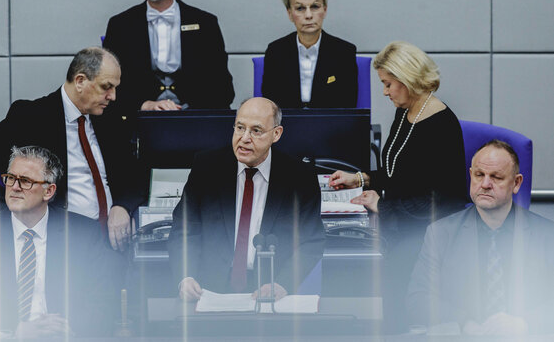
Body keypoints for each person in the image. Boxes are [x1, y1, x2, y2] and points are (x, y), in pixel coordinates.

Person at [328, 41, 468, 333]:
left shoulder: (441, 125)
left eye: (388, 84)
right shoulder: (406, 111)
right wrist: (360, 178)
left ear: (407, 79)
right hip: (403, 220)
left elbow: (441, 200)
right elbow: (400, 172)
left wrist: (383, 205)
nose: (385, 92)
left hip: (430, 230)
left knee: (386, 280)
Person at [0, 47, 146, 250]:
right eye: (106, 87)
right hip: (59, 242)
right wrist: (14, 214)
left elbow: (134, 173)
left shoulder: (110, 118)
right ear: (80, 81)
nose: (113, 96)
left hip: (109, 241)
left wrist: (122, 206)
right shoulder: (31, 116)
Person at [0, 146, 123, 338]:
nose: (14, 187)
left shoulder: (83, 235)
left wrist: (64, 329)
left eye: (25, 181)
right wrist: (16, 331)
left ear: (48, 191)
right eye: (10, 178)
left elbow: (103, 300)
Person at [168, 97, 324, 301]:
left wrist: (283, 283)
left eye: (256, 131)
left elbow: (311, 240)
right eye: (240, 128)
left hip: (270, 291)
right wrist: (186, 277)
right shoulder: (206, 167)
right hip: (209, 290)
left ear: (276, 134)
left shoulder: (299, 177)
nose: (244, 138)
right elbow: (184, 229)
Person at [407, 140, 554, 336]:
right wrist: (464, 322)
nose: (485, 184)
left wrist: (524, 323)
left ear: (516, 183)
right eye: (479, 175)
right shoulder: (441, 233)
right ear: (470, 176)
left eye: (496, 177)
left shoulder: (546, 235)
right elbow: (417, 300)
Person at [103, 0, 234, 113]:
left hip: (193, 119)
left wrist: (190, 111)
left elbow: (223, 88)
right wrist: (144, 105)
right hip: (138, 120)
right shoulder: (121, 25)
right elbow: (107, 85)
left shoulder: (205, 23)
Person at [262, 0, 357, 108]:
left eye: (315, 7)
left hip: (330, 126)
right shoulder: (276, 51)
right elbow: (270, 106)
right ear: (290, 14)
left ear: (324, 10)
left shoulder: (344, 52)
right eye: (300, 8)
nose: (308, 15)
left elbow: (347, 105)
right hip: (287, 126)